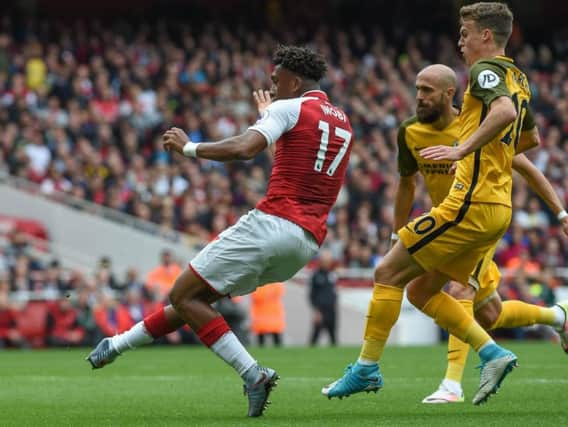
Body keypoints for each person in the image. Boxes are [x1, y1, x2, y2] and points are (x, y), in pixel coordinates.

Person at [86, 45, 354, 417]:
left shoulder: (288, 107)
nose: (272, 89)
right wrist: (270, 120)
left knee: (183, 294)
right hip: (305, 243)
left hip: (272, 225)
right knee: (195, 300)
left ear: (294, 80)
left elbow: (244, 148)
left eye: (276, 82)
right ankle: (116, 345)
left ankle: (252, 374)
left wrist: (190, 148)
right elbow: (291, 164)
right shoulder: (341, 120)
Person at [322, 2, 551, 405]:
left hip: (469, 203)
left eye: (465, 33)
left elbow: (502, 111)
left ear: (486, 35)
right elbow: (528, 139)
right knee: (424, 292)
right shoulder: (518, 77)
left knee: (388, 272)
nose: (460, 41)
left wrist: (462, 149)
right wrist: (488, 152)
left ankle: (368, 369)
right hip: (496, 205)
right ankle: (495, 352)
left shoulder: (485, 71)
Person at [390, 63, 568, 403]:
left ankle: (452, 385)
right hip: (446, 225)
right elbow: (406, 186)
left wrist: (560, 211)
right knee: (491, 313)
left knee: (460, 291)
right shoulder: (412, 132)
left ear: (449, 94)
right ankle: (558, 316)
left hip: (478, 221)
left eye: (427, 90)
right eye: (417, 89)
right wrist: (396, 232)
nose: (419, 96)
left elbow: (528, 168)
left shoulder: (477, 127)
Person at [309, 249, 338, 346]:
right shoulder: (315, 275)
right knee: (315, 338)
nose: (327, 263)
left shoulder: (332, 275)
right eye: (325, 261)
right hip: (320, 310)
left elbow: (334, 292)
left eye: (328, 261)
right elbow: (312, 295)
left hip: (331, 310)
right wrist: (316, 311)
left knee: (333, 337)